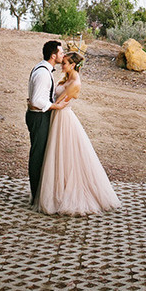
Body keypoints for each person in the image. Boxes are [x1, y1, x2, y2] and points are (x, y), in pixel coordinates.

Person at [33, 51, 121, 216]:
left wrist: (39, 103)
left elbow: (58, 104)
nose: (62, 65)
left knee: (66, 154)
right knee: (57, 154)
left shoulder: (75, 83)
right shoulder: (66, 79)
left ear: (73, 65)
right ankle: (57, 189)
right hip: (56, 117)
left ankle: (67, 193)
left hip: (63, 119)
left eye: (65, 63)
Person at [26, 40, 64, 202]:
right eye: (61, 53)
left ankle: (41, 191)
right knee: (38, 155)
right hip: (39, 117)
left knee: (41, 153)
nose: (63, 55)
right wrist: (55, 106)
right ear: (53, 55)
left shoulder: (41, 68)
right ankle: (36, 195)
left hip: (38, 116)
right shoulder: (43, 73)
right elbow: (36, 100)